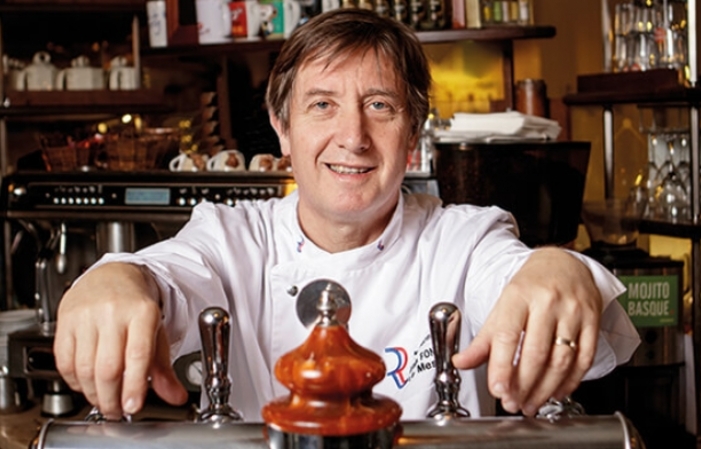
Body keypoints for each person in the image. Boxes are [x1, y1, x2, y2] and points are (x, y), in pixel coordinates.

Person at [54, 8, 640, 422]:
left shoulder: (463, 238)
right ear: (283, 128)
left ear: (412, 135)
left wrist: (558, 270)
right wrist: (116, 278)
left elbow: (520, 279)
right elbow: (165, 276)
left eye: (379, 106)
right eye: (322, 105)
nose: (353, 136)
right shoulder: (231, 236)